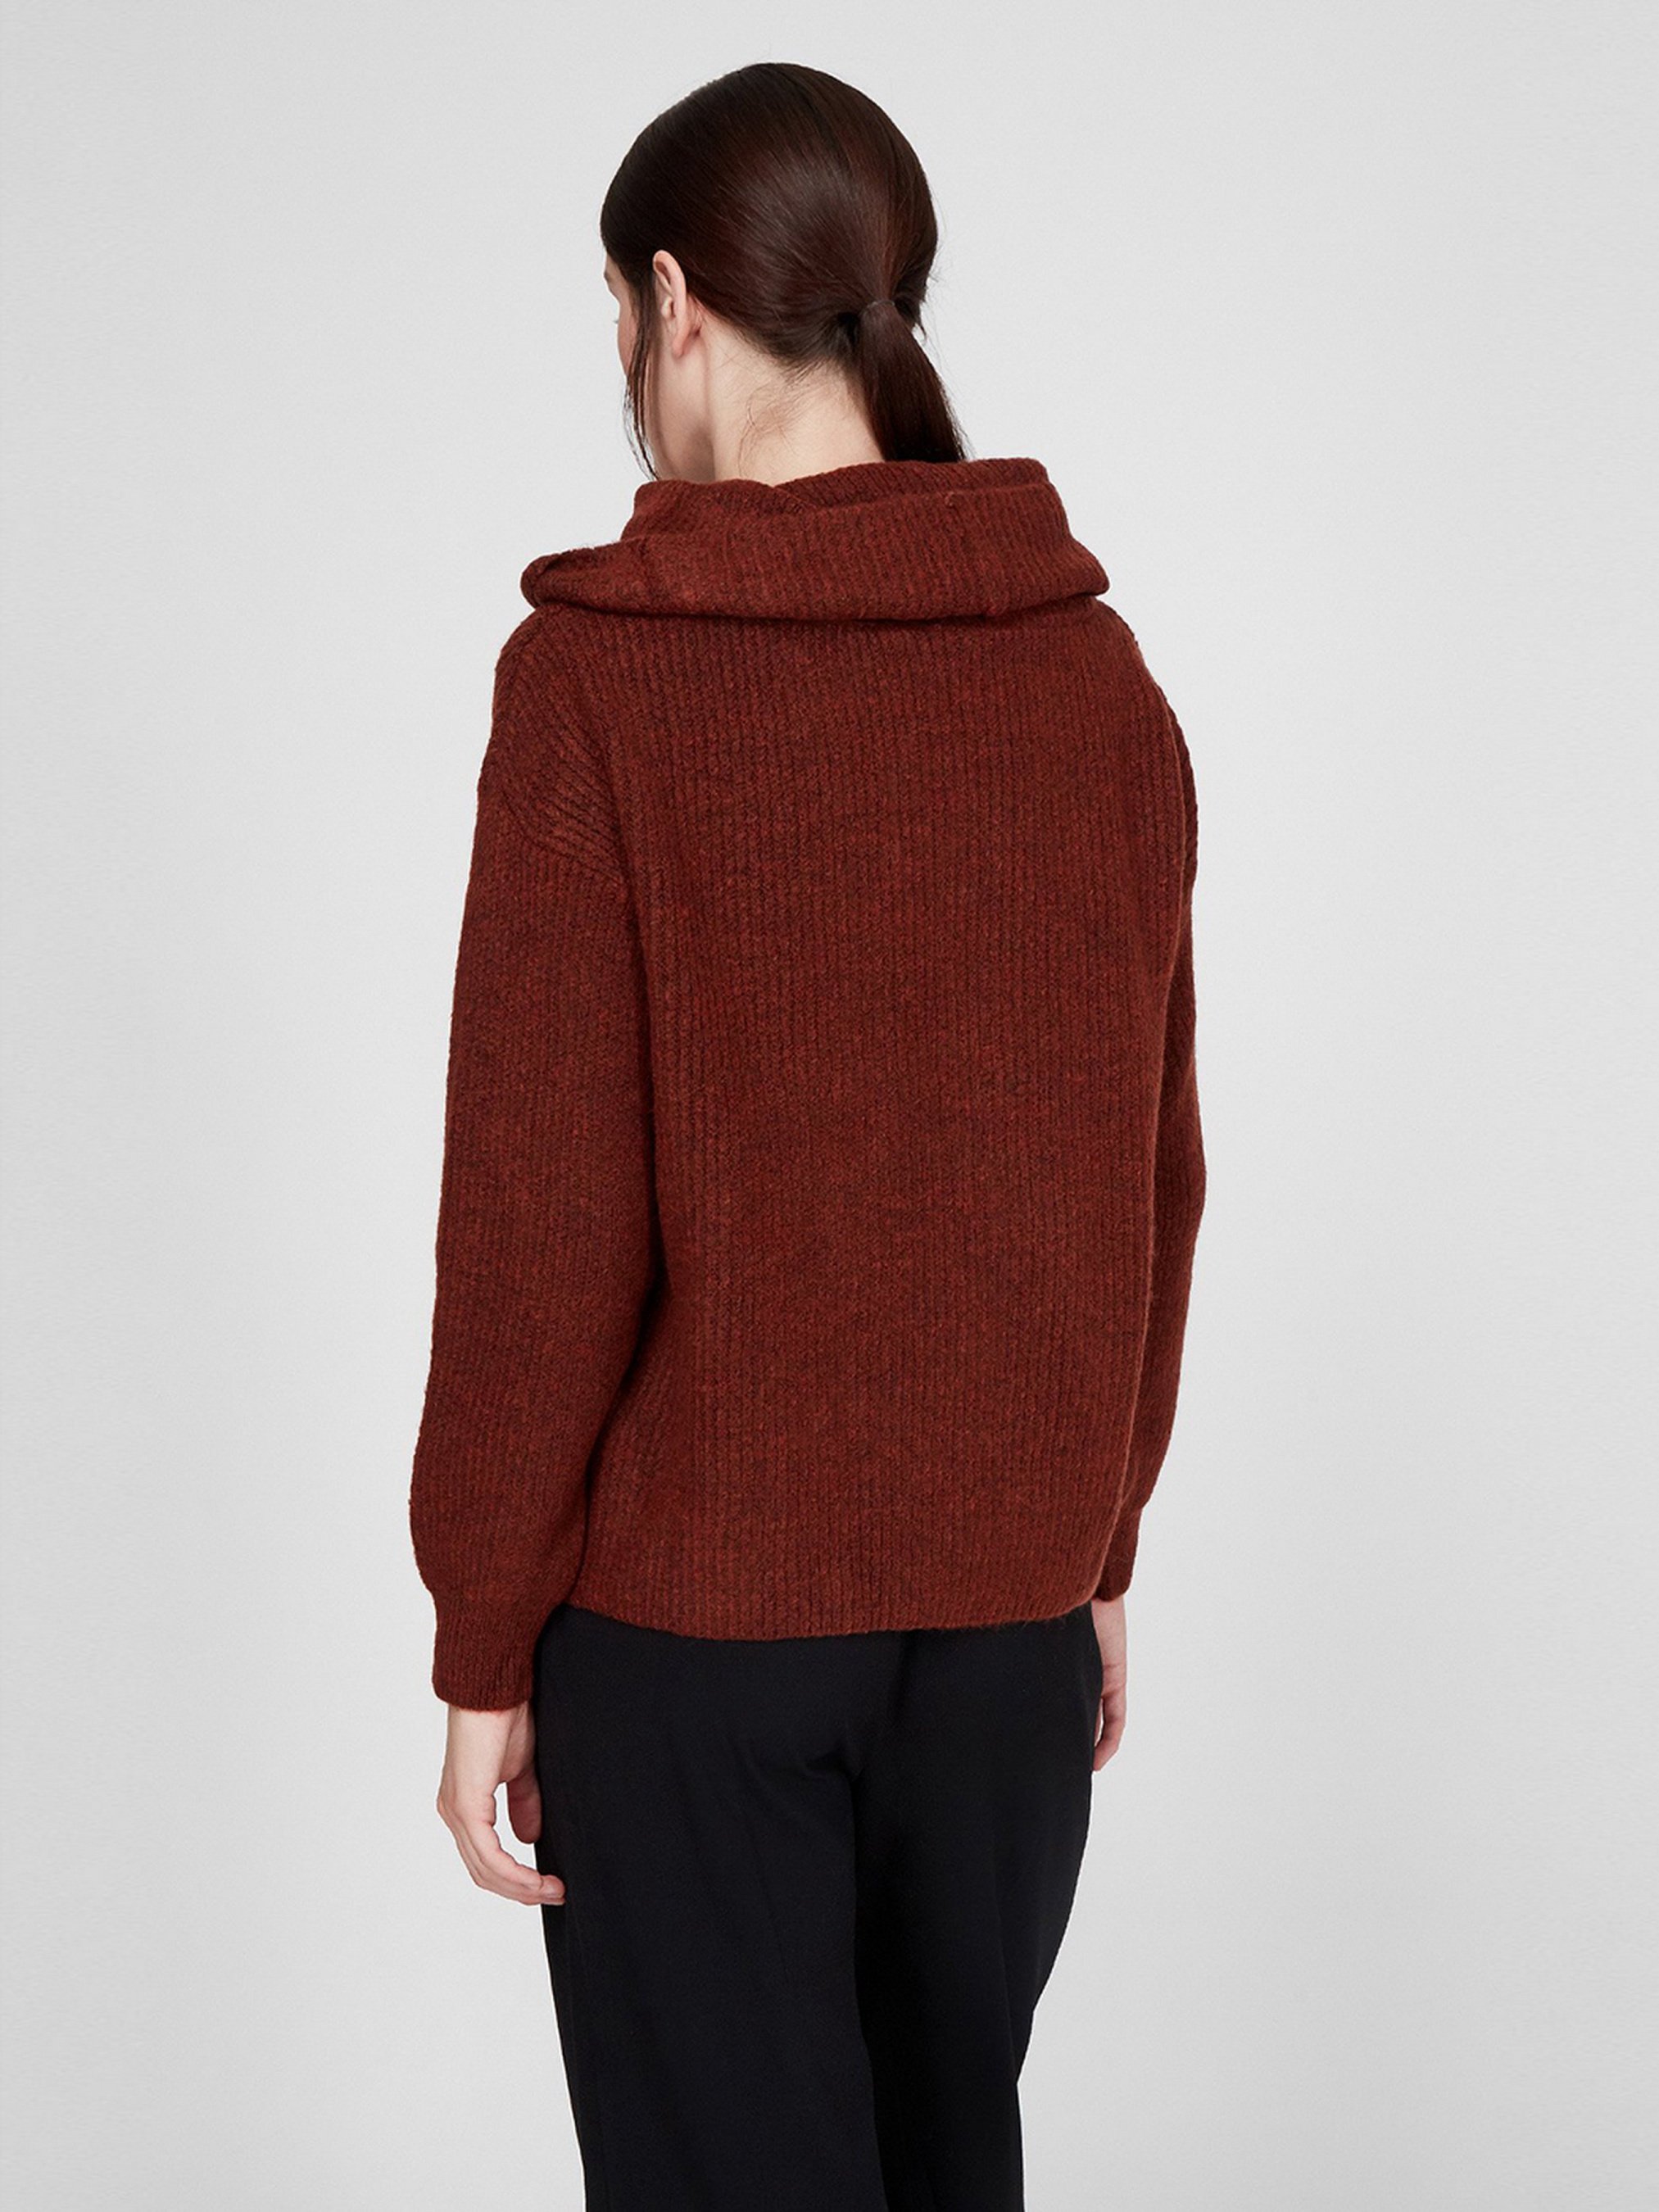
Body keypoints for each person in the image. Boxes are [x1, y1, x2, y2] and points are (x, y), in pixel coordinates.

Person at [408, 59, 1207, 2212]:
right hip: (1004, 1645)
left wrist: (483, 1633)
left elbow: (539, 1220)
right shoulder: (1095, 678)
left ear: (670, 303)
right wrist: (1092, 1545)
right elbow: (1149, 1168)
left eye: (614, 315)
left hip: (695, 1642)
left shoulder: (598, 684)